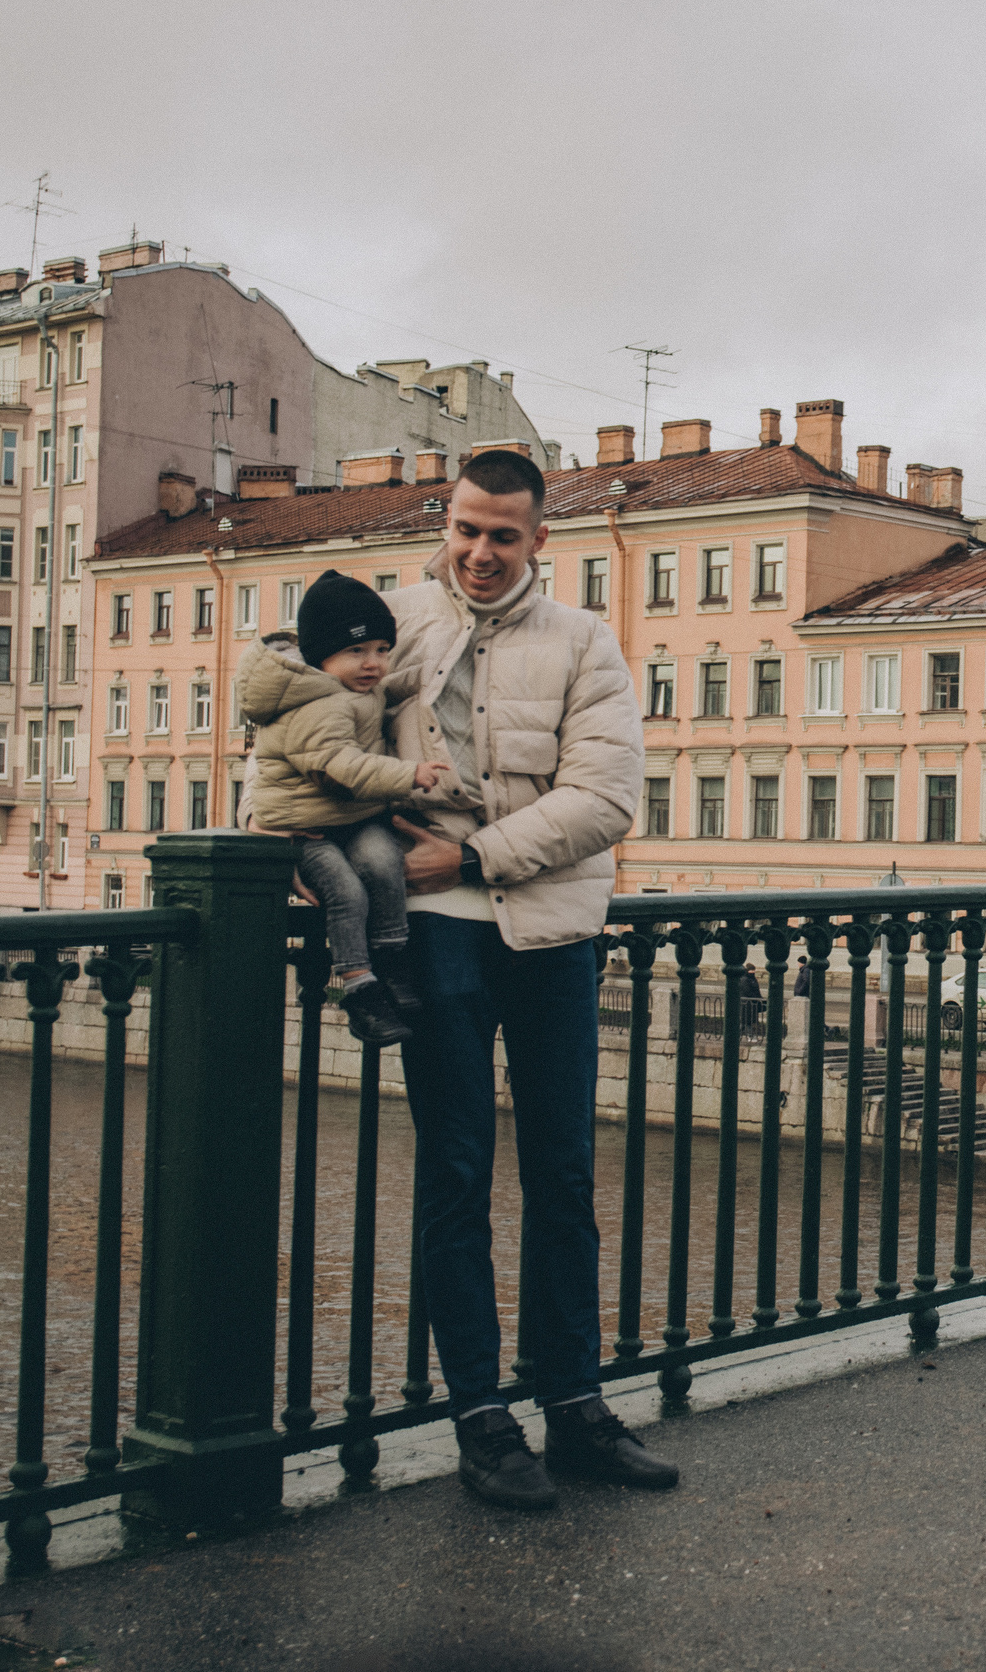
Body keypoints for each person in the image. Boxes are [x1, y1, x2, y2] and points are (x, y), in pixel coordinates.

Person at [377, 447, 675, 1511]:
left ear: (541, 539)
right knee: (455, 1178)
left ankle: (576, 1405)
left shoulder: (585, 642)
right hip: (436, 937)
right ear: (444, 523)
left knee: (562, 1178)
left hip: (547, 935)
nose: (481, 551)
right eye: (466, 529)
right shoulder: (395, 625)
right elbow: (303, 741)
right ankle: (480, 1420)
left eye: (504, 534)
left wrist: (468, 852)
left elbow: (603, 798)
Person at [238, 570, 443, 1047]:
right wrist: (408, 774)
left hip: (351, 819)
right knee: (347, 892)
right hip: (304, 827)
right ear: (320, 656)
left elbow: (383, 692)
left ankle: (391, 961)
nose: (373, 664)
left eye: (381, 650)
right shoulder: (317, 707)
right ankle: (358, 987)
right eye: (356, 651)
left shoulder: (351, 688)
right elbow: (341, 764)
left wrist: (428, 673)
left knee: (382, 859)